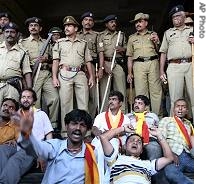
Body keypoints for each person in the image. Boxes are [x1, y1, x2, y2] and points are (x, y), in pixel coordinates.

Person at [19, 109, 99, 183]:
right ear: (66, 126)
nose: (78, 128)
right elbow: (36, 148)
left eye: (82, 125)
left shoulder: (92, 153)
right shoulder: (55, 146)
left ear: (87, 129)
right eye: (74, 124)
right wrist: (26, 133)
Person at [0, 88, 53, 184]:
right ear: (20, 100)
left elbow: (49, 134)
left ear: (34, 101)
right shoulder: (15, 115)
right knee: (2, 149)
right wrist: (14, 140)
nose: (26, 99)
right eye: (23, 97)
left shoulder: (41, 114)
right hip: (16, 146)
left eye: (29, 97)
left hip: (32, 149)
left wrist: (45, 154)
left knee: (14, 160)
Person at [52, 16, 94, 137]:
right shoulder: (59, 43)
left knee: (83, 104)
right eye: (65, 26)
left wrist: (91, 76)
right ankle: (66, 133)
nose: (66, 28)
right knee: (66, 104)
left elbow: (88, 61)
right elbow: (55, 61)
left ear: (76, 28)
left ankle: (85, 133)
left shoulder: (83, 43)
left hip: (80, 73)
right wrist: (54, 77)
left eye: (69, 26)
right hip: (64, 73)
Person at [19, 17, 59, 129]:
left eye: (36, 26)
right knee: (35, 101)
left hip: (46, 73)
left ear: (40, 28)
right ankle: (36, 125)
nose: (33, 27)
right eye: (31, 25)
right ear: (28, 28)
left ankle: (52, 125)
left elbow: (54, 59)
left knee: (55, 98)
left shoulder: (47, 42)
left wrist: (46, 60)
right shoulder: (23, 43)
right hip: (33, 74)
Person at [99, 123, 173, 184]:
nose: (135, 142)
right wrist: (123, 129)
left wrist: (159, 136)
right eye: (132, 140)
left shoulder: (148, 164)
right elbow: (103, 137)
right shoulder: (115, 159)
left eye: (139, 142)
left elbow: (169, 158)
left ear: (141, 150)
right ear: (124, 146)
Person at [159, 5, 194, 117]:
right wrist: (161, 71)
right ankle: (174, 126)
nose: (175, 18)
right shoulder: (168, 33)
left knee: (195, 97)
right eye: (173, 16)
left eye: (178, 15)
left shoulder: (193, 30)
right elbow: (163, 52)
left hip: (191, 65)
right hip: (174, 66)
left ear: (184, 17)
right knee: (175, 98)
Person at [126, 13, 162, 116]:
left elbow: (160, 51)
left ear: (146, 23)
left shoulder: (153, 34)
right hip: (138, 65)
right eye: (136, 22)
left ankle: (157, 117)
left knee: (156, 91)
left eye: (140, 21)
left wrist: (157, 42)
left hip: (153, 62)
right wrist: (129, 72)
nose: (137, 24)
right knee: (141, 92)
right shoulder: (131, 38)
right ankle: (144, 117)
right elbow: (129, 56)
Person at [91, 90, 130, 184]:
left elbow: (125, 133)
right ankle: (100, 181)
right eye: (110, 99)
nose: (111, 102)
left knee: (112, 143)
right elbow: (94, 128)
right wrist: (101, 135)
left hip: (116, 142)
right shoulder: (101, 116)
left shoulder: (126, 118)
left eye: (114, 99)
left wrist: (109, 133)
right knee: (100, 149)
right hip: (99, 140)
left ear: (120, 103)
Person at [158, 98, 194, 184]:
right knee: (170, 172)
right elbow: (160, 137)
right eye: (178, 106)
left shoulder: (189, 124)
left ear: (187, 110)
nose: (180, 109)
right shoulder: (166, 120)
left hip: (190, 155)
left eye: (183, 107)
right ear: (174, 109)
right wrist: (170, 154)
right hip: (175, 155)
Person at [98, 15, 127, 113]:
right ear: (106, 24)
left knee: (121, 89)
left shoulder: (121, 35)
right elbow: (100, 52)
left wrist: (122, 49)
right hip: (106, 63)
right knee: (104, 91)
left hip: (117, 63)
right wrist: (102, 66)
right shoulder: (101, 36)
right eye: (111, 22)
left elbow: (127, 50)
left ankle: (122, 113)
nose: (114, 24)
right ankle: (105, 114)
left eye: (114, 22)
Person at [0, 22, 32, 106]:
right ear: (3, 34)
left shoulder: (22, 52)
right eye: (7, 32)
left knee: (11, 113)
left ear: (17, 34)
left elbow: (27, 72)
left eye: (12, 32)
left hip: (13, 87)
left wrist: (29, 91)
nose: (9, 34)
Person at [77, 11, 100, 118]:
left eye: (90, 20)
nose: (88, 22)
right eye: (86, 20)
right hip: (80, 69)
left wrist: (101, 68)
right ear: (82, 22)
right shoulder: (76, 35)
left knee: (92, 95)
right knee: (80, 95)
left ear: (93, 23)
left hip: (92, 66)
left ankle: (89, 119)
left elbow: (100, 52)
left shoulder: (97, 35)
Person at [126, 95, 161, 159]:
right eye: (135, 103)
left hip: (149, 140)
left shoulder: (152, 116)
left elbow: (159, 129)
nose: (136, 105)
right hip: (132, 139)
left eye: (140, 103)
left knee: (154, 148)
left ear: (146, 107)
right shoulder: (128, 116)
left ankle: (152, 168)